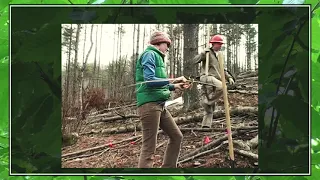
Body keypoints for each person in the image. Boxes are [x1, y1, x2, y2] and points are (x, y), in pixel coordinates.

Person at [135, 31, 190, 168]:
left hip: (160, 104)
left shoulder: (157, 56)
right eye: (167, 44)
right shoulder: (149, 54)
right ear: (159, 43)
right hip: (149, 105)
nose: (167, 48)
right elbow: (150, 81)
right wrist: (174, 79)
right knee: (149, 147)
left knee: (177, 136)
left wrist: (174, 86)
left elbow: (159, 84)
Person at [193, 34, 235, 128]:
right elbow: (195, 60)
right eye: (218, 44)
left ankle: (206, 126)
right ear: (213, 44)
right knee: (222, 87)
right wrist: (203, 53)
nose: (220, 46)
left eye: (221, 44)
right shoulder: (207, 53)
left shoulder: (219, 55)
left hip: (215, 80)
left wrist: (229, 77)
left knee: (211, 107)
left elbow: (222, 69)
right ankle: (207, 101)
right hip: (207, 77)